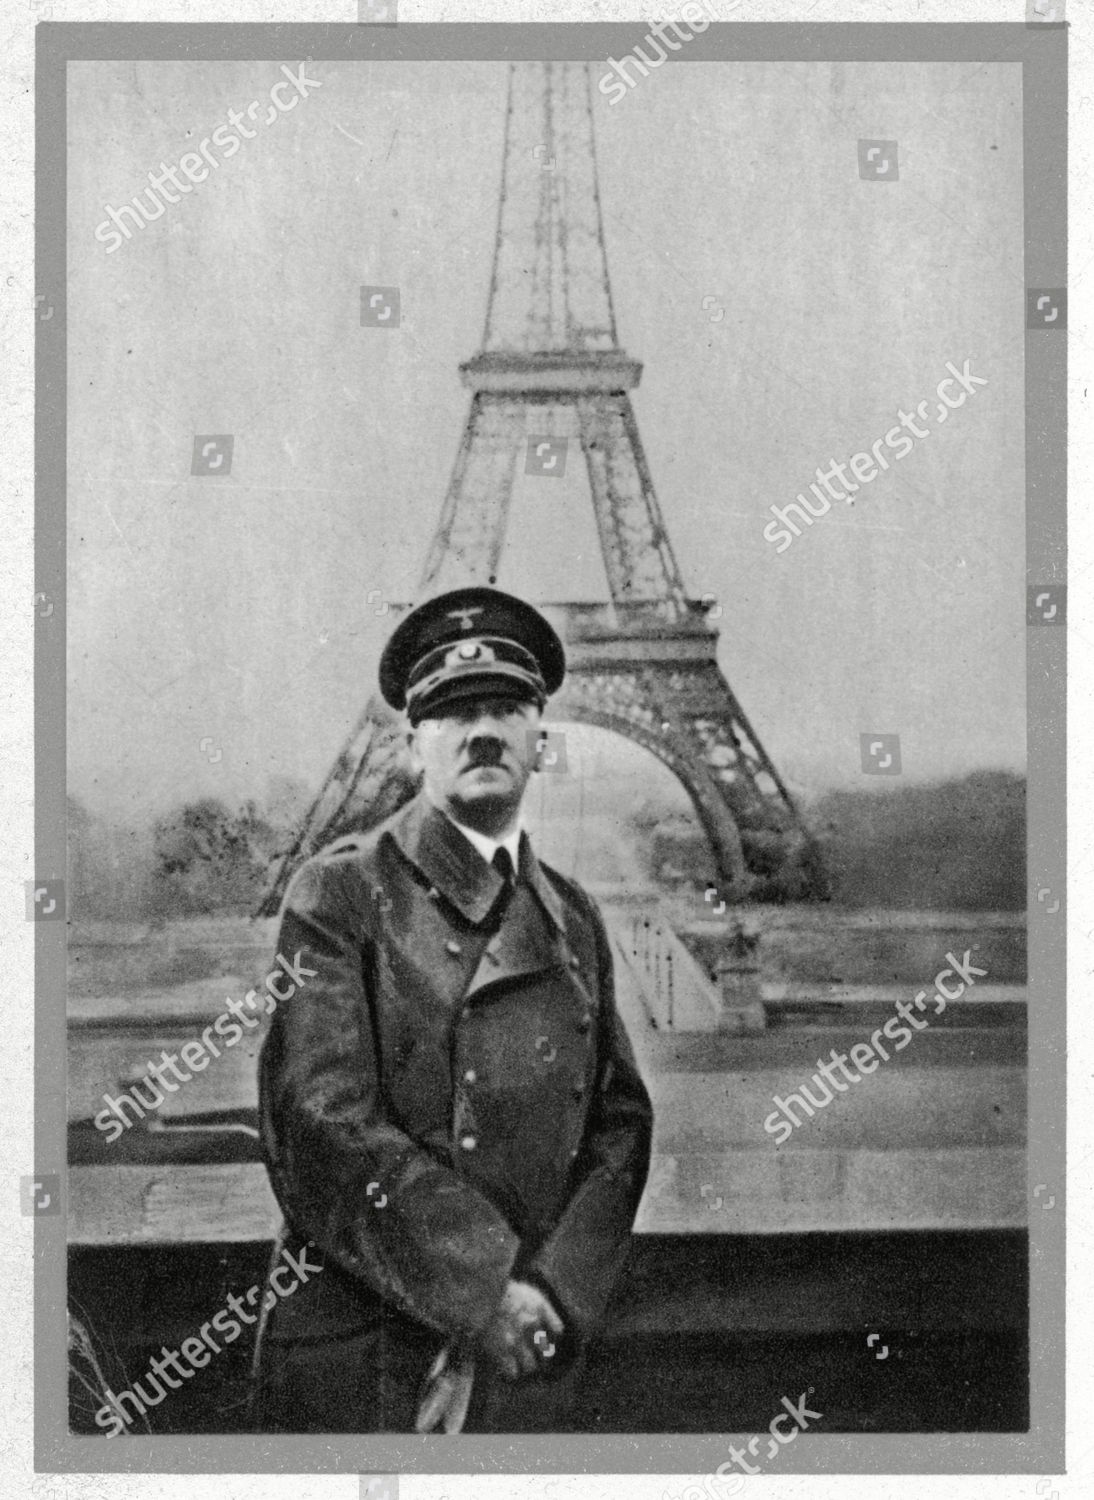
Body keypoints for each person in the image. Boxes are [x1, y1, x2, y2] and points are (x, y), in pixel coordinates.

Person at [252, 585, 654, 1433]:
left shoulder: (573, 914)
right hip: (375, 1351)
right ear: (412, 744)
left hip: (527, 1350)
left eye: (507, 707)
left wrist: (548, 1290)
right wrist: (484, 1290)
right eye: (453, 711)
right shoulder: (339, 891)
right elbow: (318, 1119)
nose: (482, 730)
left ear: (539, 740)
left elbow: (621, 1122)